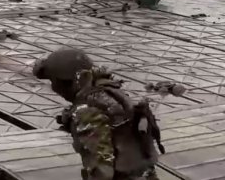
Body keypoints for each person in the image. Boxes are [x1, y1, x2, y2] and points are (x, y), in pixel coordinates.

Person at [33, 48, 164, 180]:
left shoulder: (88, 111)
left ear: (63, 83)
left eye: (53, 82)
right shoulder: (112, 93)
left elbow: (103, 172)